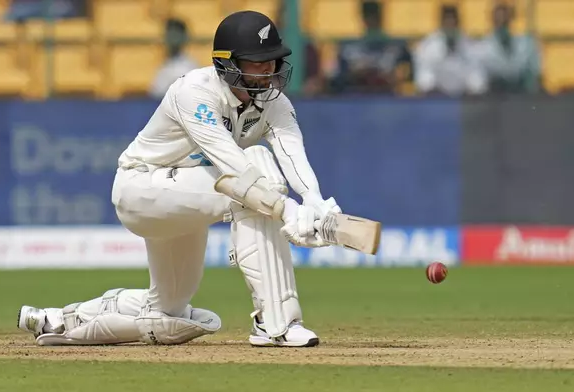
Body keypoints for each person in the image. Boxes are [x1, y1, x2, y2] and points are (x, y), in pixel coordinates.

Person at [17, 10, 341, 348]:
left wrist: (314, 201)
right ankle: (276, 324)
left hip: (186, 198)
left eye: (272, 61)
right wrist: (288, 211)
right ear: (227, 63)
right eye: (257, 62)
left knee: (168, 310)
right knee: (257, 169)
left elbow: (292, 153)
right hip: (141, 190)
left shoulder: (273, 103)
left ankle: (59, 320)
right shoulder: (194, 92)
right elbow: (232, 166)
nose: (268, 70)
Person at [413, 5, 487, 96]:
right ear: (441, 23)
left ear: (458, 23)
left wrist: (475, 88)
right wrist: (430, 88)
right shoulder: (427, 46)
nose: (450, 25)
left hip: (465, 99)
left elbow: (476, 74)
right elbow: (424, 77)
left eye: (453, 22)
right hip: (437, 99)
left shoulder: (470, 46)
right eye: (447, 21)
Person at [476, 3, 541, 94]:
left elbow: (534, 70)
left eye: (505, 21)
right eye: (499, 21)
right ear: (493, 22)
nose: (502, 25)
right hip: (495, 97)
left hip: (521, 95)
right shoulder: (483, 47)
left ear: (510, 21)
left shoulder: (524, 44)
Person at [148, 18, 199, 98]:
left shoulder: (188, 68)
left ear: (184, 37)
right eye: (169, 34)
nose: (172, 39)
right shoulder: (164, 65)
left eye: (176, 35)